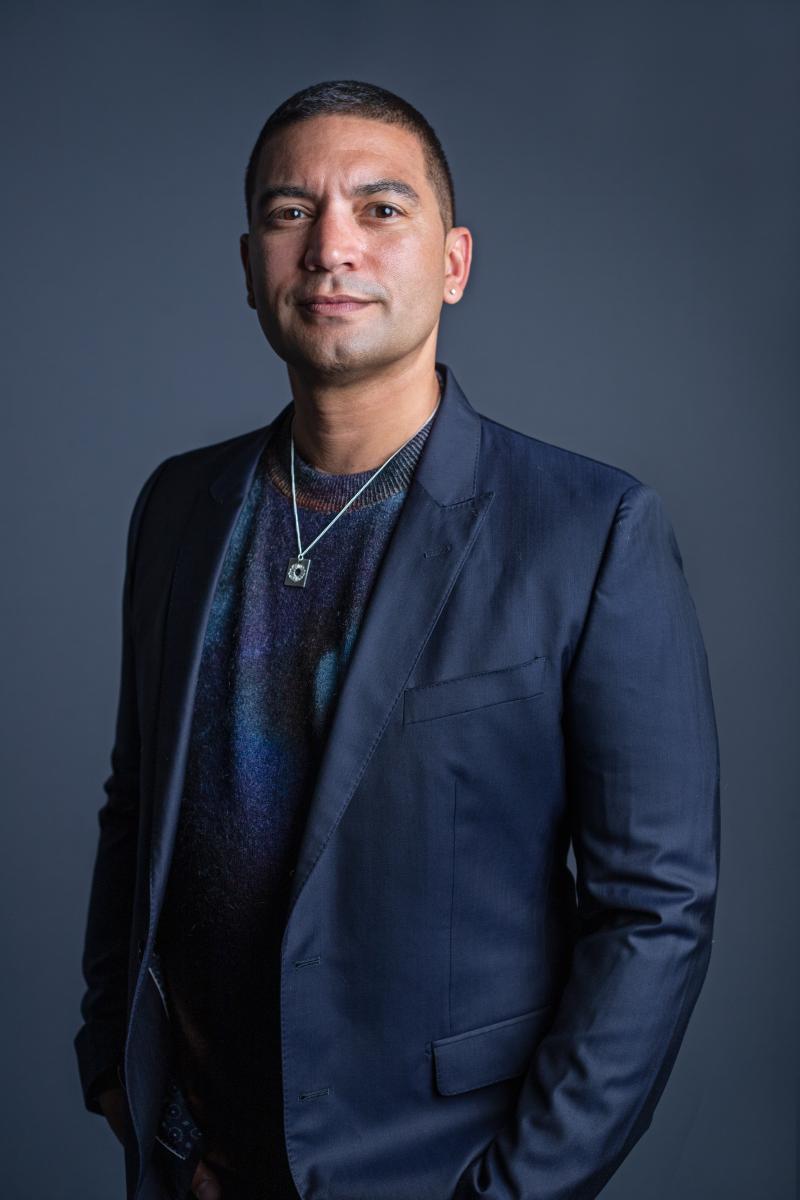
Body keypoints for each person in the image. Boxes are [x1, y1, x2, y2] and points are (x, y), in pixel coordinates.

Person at [74, 79, 720, 1200]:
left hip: (435, 1173)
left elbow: (654, 913)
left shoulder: (588, 530)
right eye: (290, 211)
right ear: (247, 266)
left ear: (454, 262)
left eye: (380, 209)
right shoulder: (176, 508)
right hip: (192, 1166)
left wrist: (515, 1190)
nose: (330, 245)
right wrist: (113, 1065)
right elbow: (138, 805)